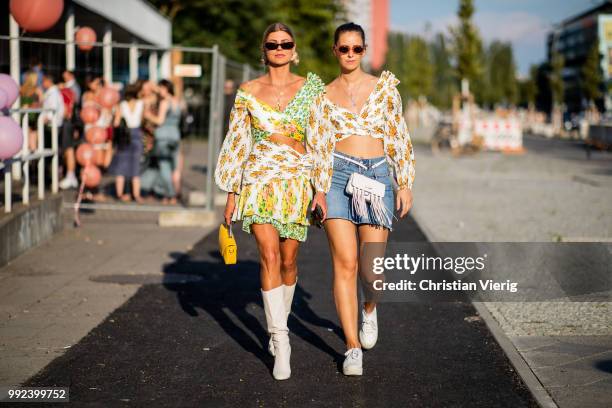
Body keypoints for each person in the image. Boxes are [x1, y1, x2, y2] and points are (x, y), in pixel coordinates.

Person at [214, 22, 324, 380]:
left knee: (289, 261)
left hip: (296, 181)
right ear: (264, 50)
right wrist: (232, 193)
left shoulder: (311, 88)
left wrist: (320, 188)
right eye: (272, 44)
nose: (279, 48)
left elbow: (322, 140)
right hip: (258, 178)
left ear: (294, 50)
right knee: (269, 255)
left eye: (285, 43)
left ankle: (280, 320)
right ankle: (281, 338)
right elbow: (237, 142)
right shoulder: (247, 91)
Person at [307, 22, 415, 376]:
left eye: (356, 49)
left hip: (377, 176)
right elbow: (318, 147)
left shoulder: (384, 88)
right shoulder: (321, 96)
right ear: (334, 51)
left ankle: (369, 308)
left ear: (364, 51)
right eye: (343, 48)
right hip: (338, 177)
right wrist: (319, 190)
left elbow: (398, 135)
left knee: (371, 271)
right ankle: (352, 347)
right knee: (345, 264)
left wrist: (405, 182)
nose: (350, 54)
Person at [141, 79, 181, 204]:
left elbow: (160, 121)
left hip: (163, 137)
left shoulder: (165, 102)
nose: (159, 92)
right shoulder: (177, 101)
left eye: (161, 89)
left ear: (165, 88)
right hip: (175, 136)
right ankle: (170, 194)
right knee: (173, 167)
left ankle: (171, 195)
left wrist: (148, 115)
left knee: (164, 167)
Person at [108, 83, 144, 202]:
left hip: (124, 136)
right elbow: (142, 120)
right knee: (135, 166)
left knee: (122, 165)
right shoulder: (141, 104)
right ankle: (136, 195)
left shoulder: (121, 105)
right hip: (137, 135)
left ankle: (120, 194)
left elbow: (116, 123)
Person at [20, 71, 42, 151]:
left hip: (24, 115)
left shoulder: (22, 89)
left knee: (26, 136)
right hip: (33, 116)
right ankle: (33, 161)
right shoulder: (37, 89)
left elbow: (23, 103)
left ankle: (27, 158)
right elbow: (41, 102)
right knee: (33, 138)